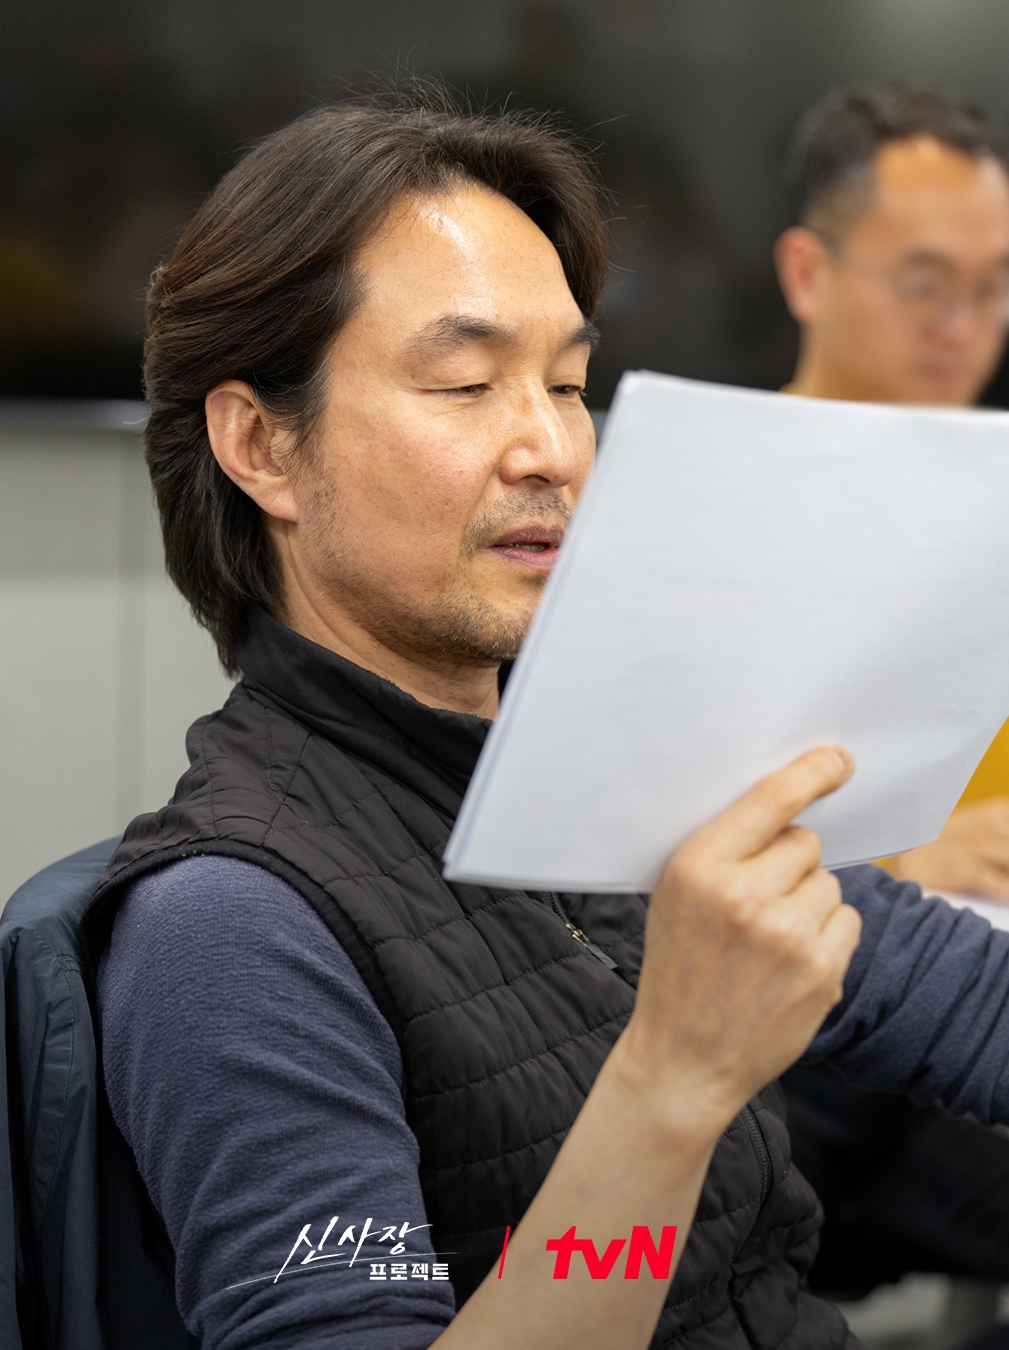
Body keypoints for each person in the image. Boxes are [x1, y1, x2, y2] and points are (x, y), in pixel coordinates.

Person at [86, 92, 1009, 1350]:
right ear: (262, 445)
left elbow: (966, 1002)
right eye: (466, 383)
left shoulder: (624, 769)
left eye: (569, 385)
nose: (552, 450)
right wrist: (673, 1081)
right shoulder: (228, 926)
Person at [774, 82, 1009, 1298]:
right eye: (924, 283)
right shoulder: (698, 518)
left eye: (994, 286)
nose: (962, 326)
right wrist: (908, 859)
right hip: (809, 1046)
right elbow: (624, 868)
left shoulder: (990, 510)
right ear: (808, 274)